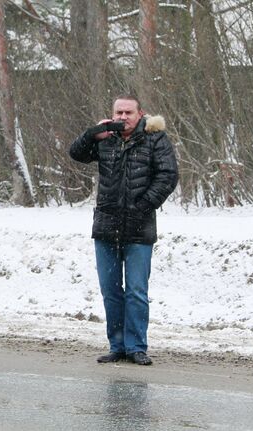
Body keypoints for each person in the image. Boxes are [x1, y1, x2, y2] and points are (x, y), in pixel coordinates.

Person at [69, 95, 178, 366]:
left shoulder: (155, 139)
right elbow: (76, 154)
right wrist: (93, 134)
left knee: (137, 291)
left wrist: (143, 205)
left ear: (140, 114)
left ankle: (136, 347)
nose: (123, 117)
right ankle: (117, 345)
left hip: (139, 228)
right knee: (111, 291)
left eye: (128, 112)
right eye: (118, 112)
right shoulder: (105, 139)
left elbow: (168, 175)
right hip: (106, 226)